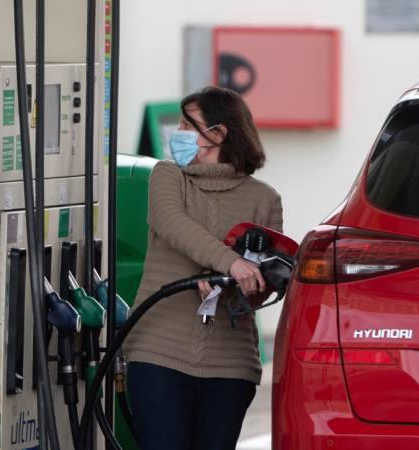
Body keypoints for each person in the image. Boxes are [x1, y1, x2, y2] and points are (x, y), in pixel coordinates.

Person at [125, 86, 283, 450]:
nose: (176, 133)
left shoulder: (265, 199)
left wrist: (247, 284)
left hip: (230, 364)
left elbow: (265, 283)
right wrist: (230, 262)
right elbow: (172, 223)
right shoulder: (168, 176)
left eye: (186, 125)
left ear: (218, 133)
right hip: (159, 353)